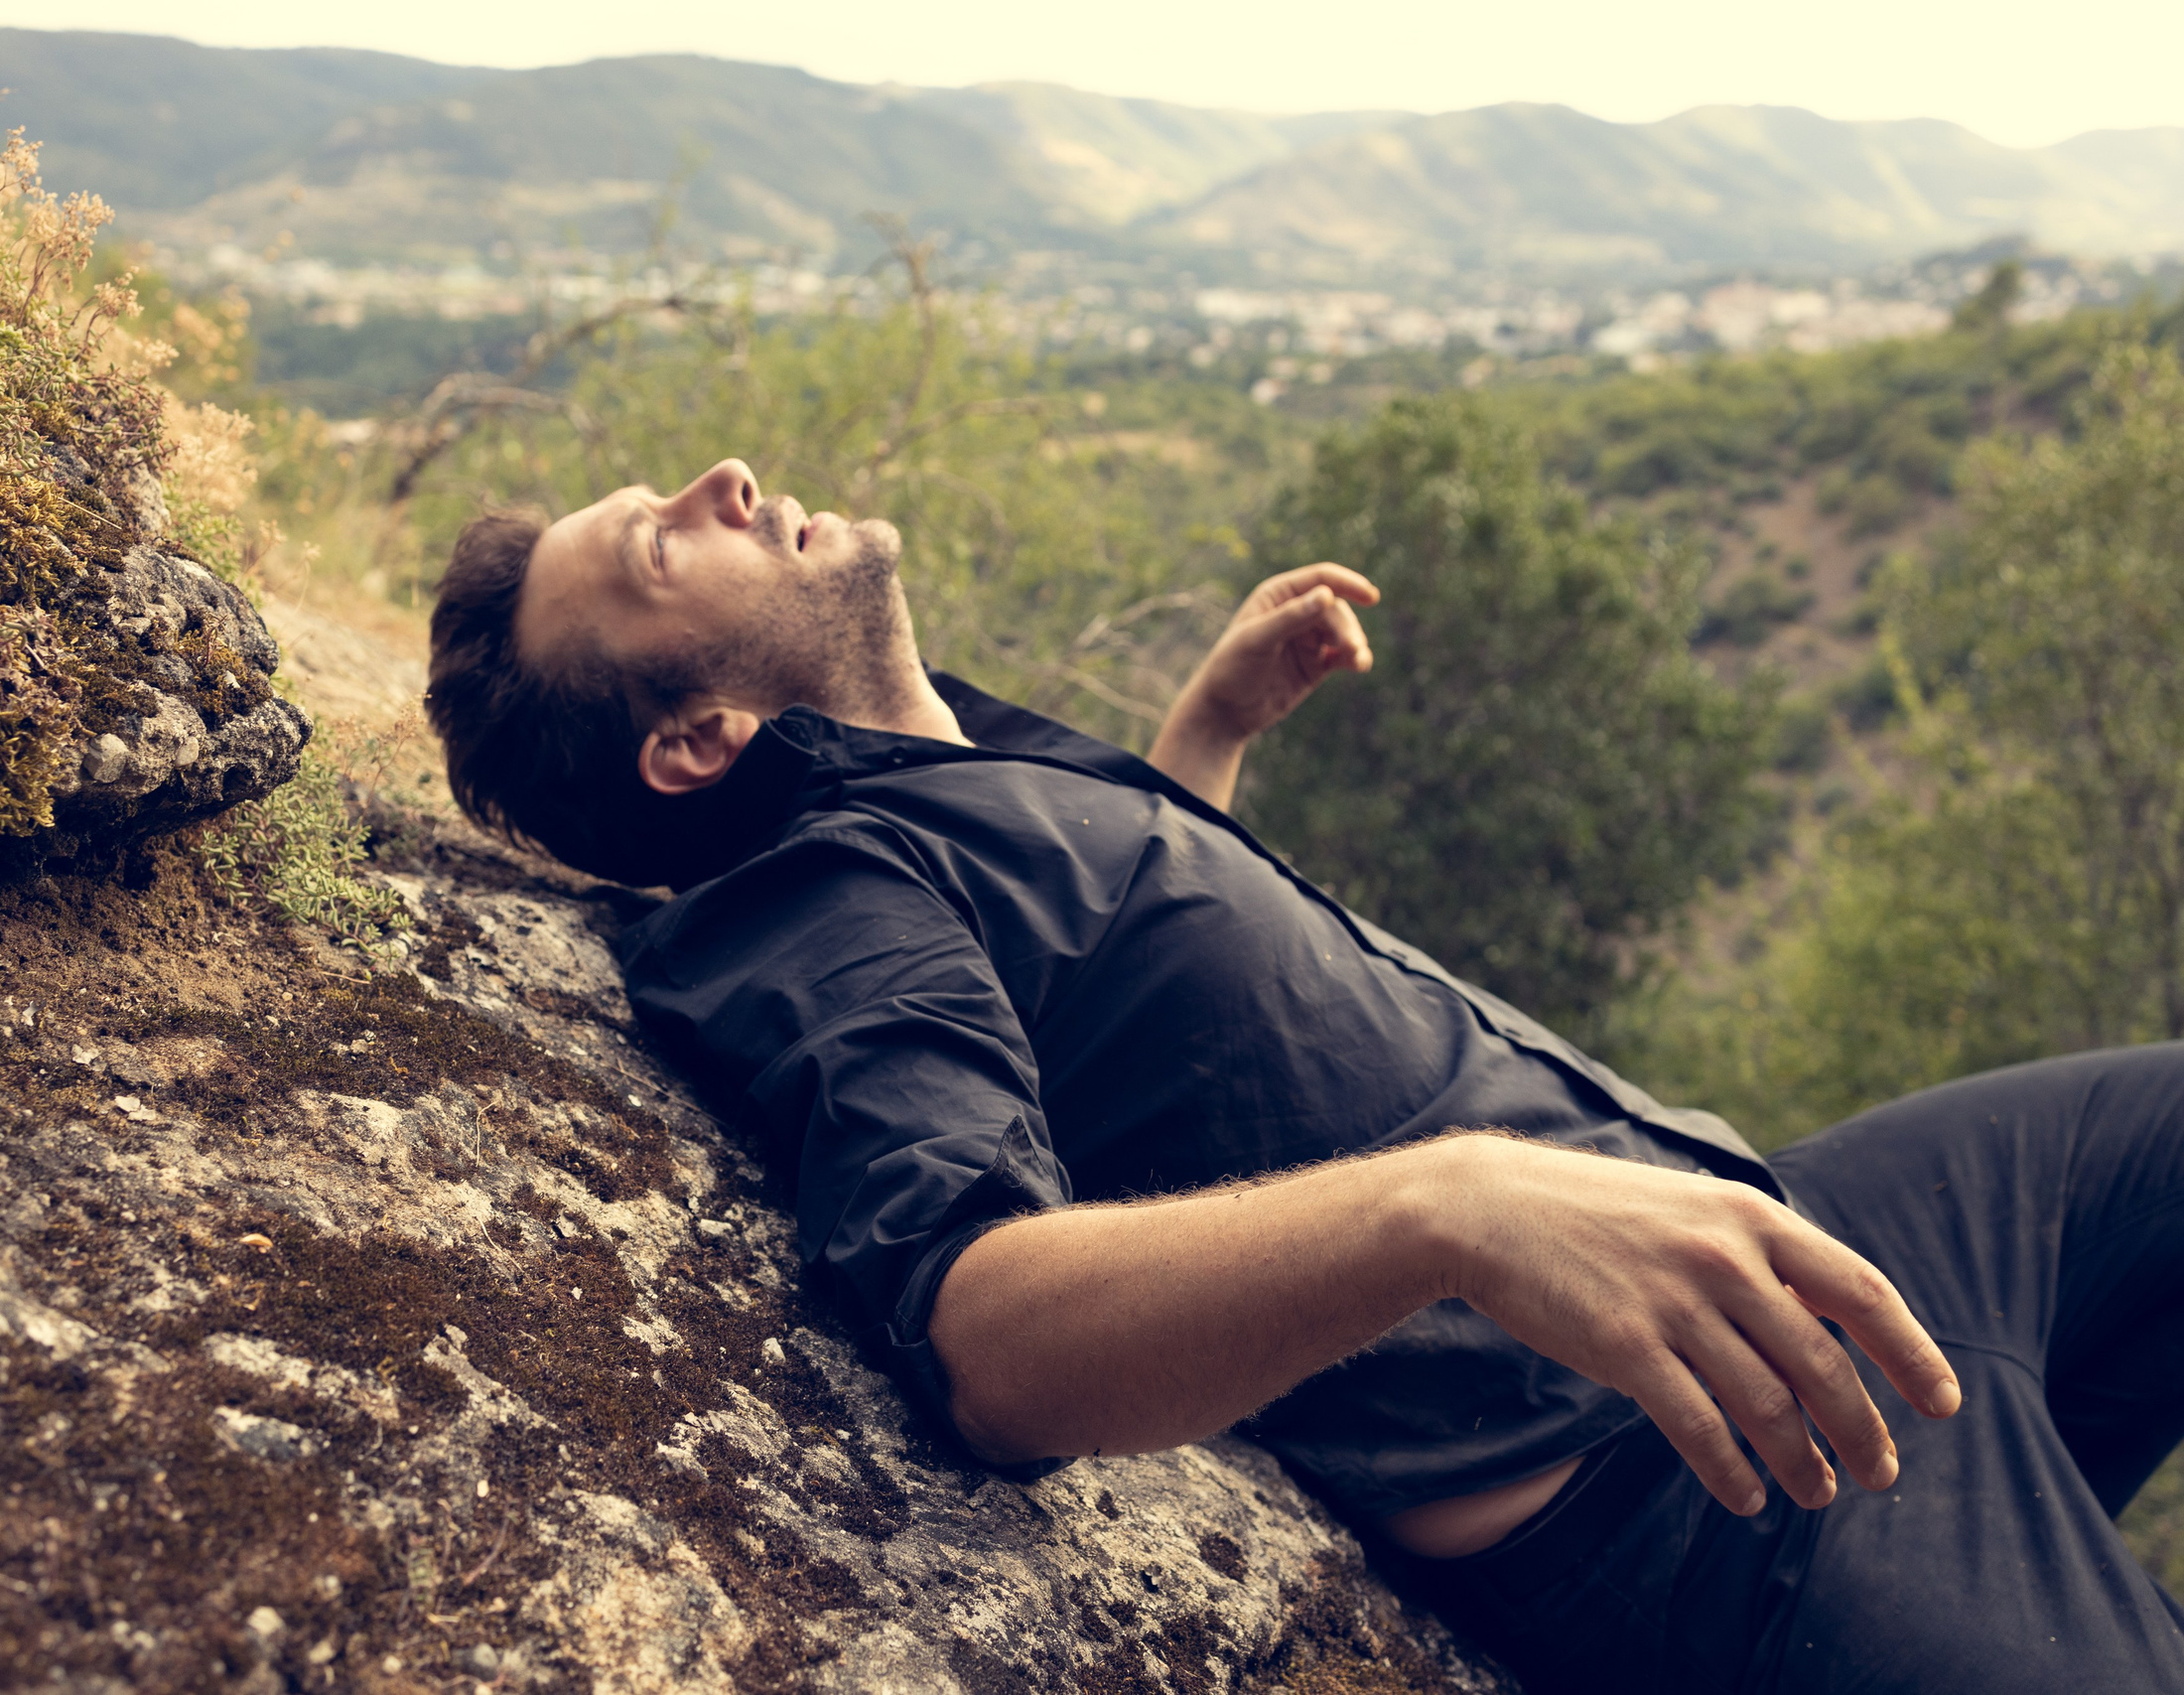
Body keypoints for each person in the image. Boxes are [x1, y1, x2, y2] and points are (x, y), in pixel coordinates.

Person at [424, 458, 2184, 1693]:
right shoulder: (818, 895)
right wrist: (1450, 1209)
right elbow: (984, 1334)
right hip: (1698, 1487)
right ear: (699, 740)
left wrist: (1201, 751)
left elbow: (1148, 1029)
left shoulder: (951, 771)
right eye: (661, 546)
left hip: (1808, 1239)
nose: (723, 481)